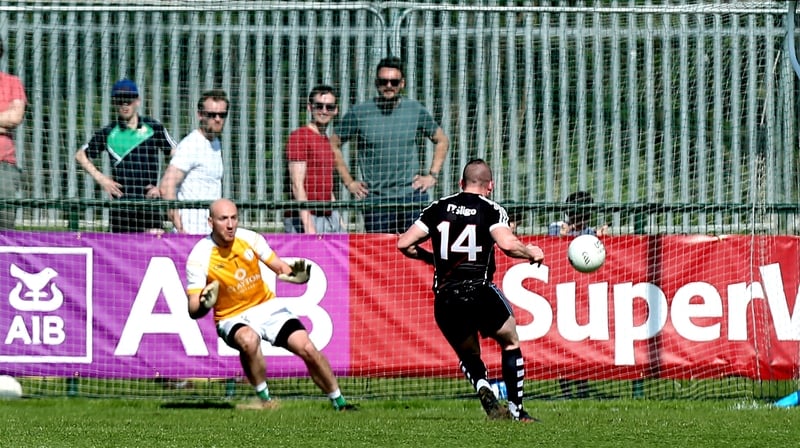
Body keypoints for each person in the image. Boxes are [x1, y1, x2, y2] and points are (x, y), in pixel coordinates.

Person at [397, 158, 543, 422]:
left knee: (469, 354)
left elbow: (404, 244)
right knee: (510, 340)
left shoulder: (438, 207)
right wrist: (529, 252)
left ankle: (482, 385)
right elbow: (508, 244)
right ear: (491, 186)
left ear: (461, 183)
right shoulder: (490, 209)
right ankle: (517, 411)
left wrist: (431, 259)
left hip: (446, 297)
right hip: (479, 291)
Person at [185, 198, 356, 410]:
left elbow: (279, 267)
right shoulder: (199, 255)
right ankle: (264, 399)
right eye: (223, 219)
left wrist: (297, 276)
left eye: (233, 218)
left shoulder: (249, 238)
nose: (230, 225)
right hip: (231, 317)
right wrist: (204, 304)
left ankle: (340, 402)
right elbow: (193, 309)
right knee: (249, 340)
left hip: (266, 306)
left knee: (308, 348)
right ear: (211, 222)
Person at [333, 55, 449, 234]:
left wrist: (432, 175)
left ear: (402, 84)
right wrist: (349, 183)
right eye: (384, 81)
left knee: (415, 254)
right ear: (376, 83)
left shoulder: (415, 110)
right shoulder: (360, 113)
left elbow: (442, 140)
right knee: (380, 256)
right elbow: (333, 144)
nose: (389, 86)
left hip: (412, 198)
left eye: (394, 82)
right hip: (376, 200)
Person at [75, 79, 175, 233]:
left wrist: (161, 187)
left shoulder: (154, 128)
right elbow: (80, 156)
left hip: (149, 206)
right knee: (119, 254)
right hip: (121, 209)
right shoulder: (108, 132)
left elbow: (178, 155)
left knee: (154, 250)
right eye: (120, 100)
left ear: (138, 101)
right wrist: (102, 180)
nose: (125, 105)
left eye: (129, 100)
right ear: (115, 103)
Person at [548, 190, 607, 399]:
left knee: (583, 340)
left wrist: (601, 238)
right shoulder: (557, 228)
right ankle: (565, 389)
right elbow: (551, 243)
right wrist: (566, 232)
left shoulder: (592, 233)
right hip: (561, 291)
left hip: (585, 295)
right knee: (562, 340)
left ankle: (582, 388)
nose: (581, 219)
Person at [160, 89, 228, 234]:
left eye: (222, 115)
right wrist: (179, 227)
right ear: (200, 115)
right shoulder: (192, 144)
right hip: (190, 233)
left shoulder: (215, 143)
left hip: (210, 232)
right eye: (211, 115)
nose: (217, 119)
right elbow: (167, 185)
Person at [284, 85, 346, 234]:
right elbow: (297, 184)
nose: (324, 111)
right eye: (319, 106)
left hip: (328, 215)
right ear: (309, 107)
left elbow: (327, 184)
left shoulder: (326, 141)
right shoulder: (299, 137)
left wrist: (340, 222)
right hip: (305, 218)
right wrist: (308, 226)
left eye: (329, 107)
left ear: (336, 110)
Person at [0, 37, 26, 230]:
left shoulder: (12, 83)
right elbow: (7, 118)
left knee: (5, 225)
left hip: (4, 166)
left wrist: (9, 120)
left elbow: (15, 117)